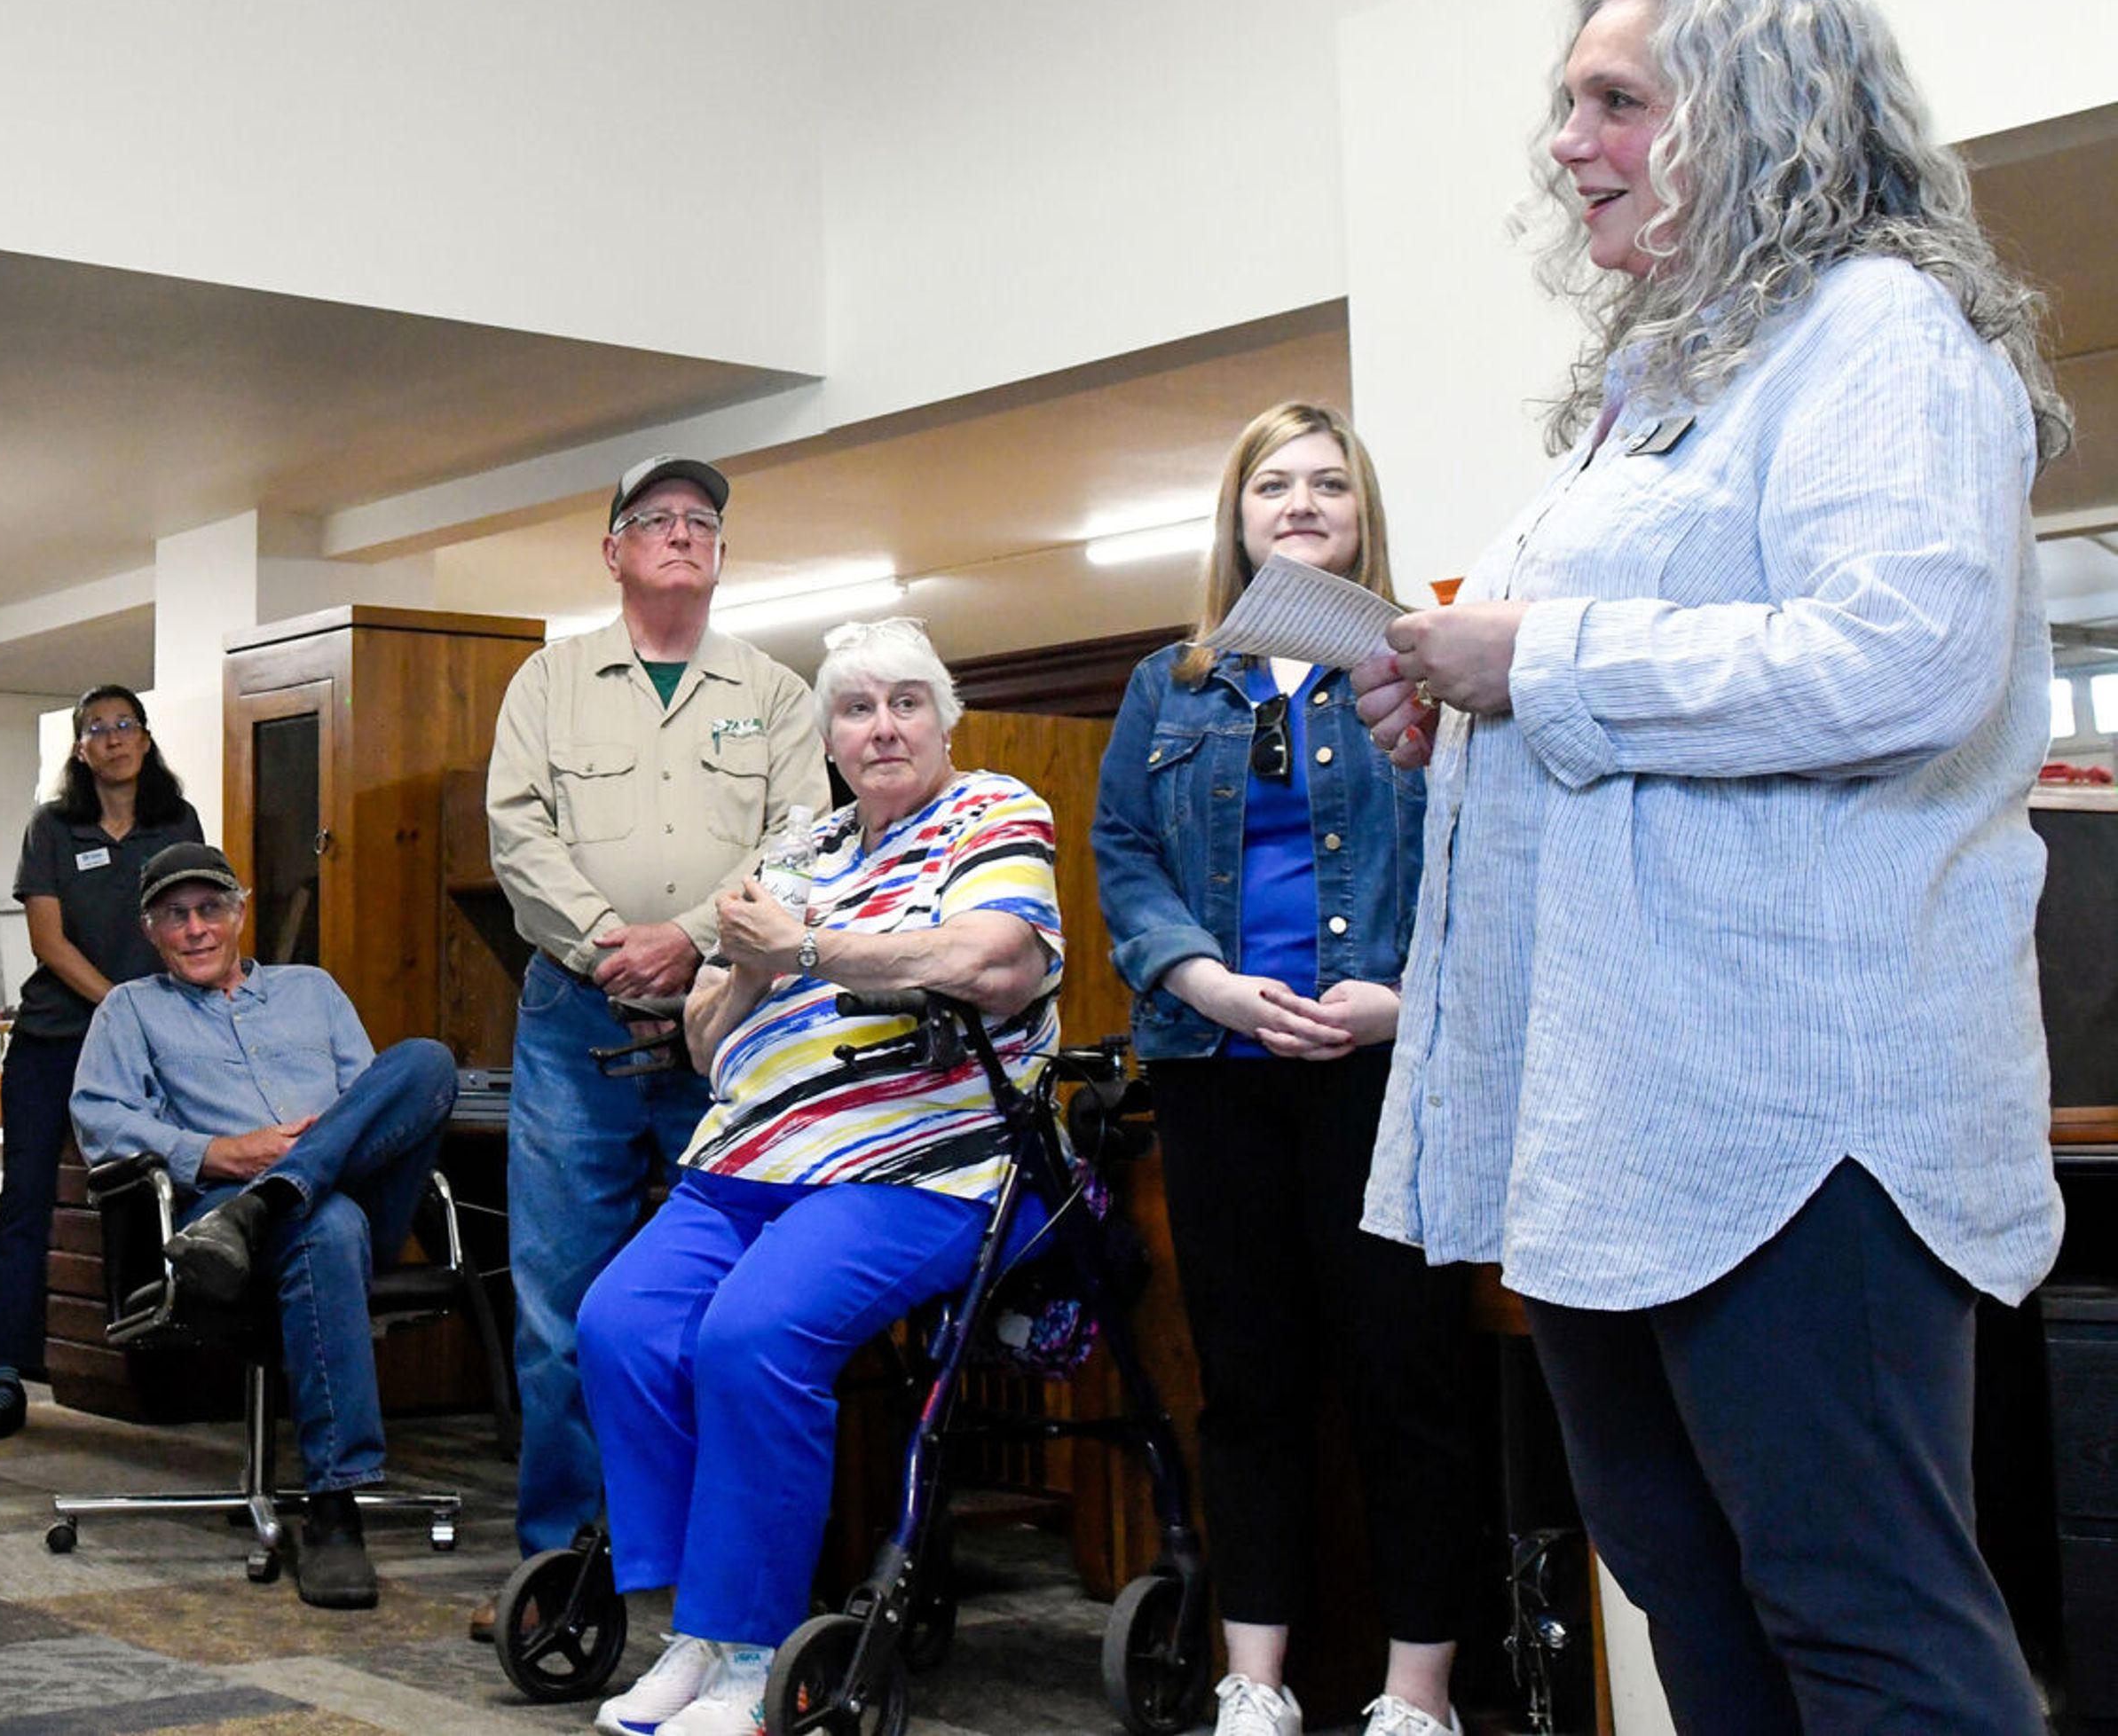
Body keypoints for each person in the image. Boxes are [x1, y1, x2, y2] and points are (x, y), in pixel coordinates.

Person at [1357, 0, 2067, 1735]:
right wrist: (1465, 701)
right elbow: (1646, 681)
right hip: (1626, 1108)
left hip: (1797, 1109)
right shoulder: (1664, 383)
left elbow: (1899, 657)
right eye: (1566, 102)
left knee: (1866, 1616)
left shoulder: (1882, 334)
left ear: (1760, 118)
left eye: (1616, 100)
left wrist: (1543, 658)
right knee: (1696, 1592)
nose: (1566, 142)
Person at [576, 618, 1060, 1736]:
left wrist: (799, 948)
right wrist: (752, 959)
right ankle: (695, 1631)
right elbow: (703, 1033)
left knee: (751, 1337)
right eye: (856, 708)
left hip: (916, 1163)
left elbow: (992, 959)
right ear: (829, 737)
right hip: (748, 1157)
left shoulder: (994, 812)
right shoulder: (800, 848)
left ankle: (750, 1656)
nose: (882, 726)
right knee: (622, 1322)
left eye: (906, 702)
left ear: (946, 718)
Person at [1090, 405, 1470, 1736]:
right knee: (1247, 1380)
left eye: (1326, 483)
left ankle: (1416, 1696)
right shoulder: (1172, 684)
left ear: (1361, 513)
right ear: (1237, 516)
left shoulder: (1424, 679)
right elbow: (1125, 853)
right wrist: (1199, 978)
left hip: (1382, 1070)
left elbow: (1481, 872)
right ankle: (1254, 1684)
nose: (1300, 503)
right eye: (1272, 485)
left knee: (1406, 1377)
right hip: (1214, 1068)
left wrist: (1401, 1005)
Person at [483, 455, 823, 1602]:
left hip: (725, 1023)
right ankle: (563, 1560)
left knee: (724, 1296)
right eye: (654, 520)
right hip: (572, 1018)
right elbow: (517, 830)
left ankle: (701, 1557)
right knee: (561, 1301)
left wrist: (687, 935)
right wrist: (605, 943)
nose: (680, 534)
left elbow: (799, 844)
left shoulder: (778, 693)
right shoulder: (550, 679)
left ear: (720, 554)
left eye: (700, 522)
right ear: (614, 551)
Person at [68, 843, 459, 1610]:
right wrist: (219, 1152)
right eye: (175, 917)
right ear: (151, 931)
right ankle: (336, 1510)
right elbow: (101, 1124)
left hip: (324, 1190)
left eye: (210, 910)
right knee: (329, 1225)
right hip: (222, 1219)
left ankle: (280, 1195)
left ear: (240, 914)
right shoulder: (131, 1009)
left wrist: (303, 1161)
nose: (196, 930)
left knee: (427, 1061)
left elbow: (374, 1103)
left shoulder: (311, 990)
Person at [0, 682, 203, 1441]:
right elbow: (47, 940)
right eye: (96, 728)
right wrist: (118, 1005)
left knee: (147, 1193)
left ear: (144, 737)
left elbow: (192, 923)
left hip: (152, 1043)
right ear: (80, 748)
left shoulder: (177, 823)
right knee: (25, 1199)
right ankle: (5, 1373)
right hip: (56, 1037)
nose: (112, 738)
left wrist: (148, 1018)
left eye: (124, 724)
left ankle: (152, 1364)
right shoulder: (55, 827)